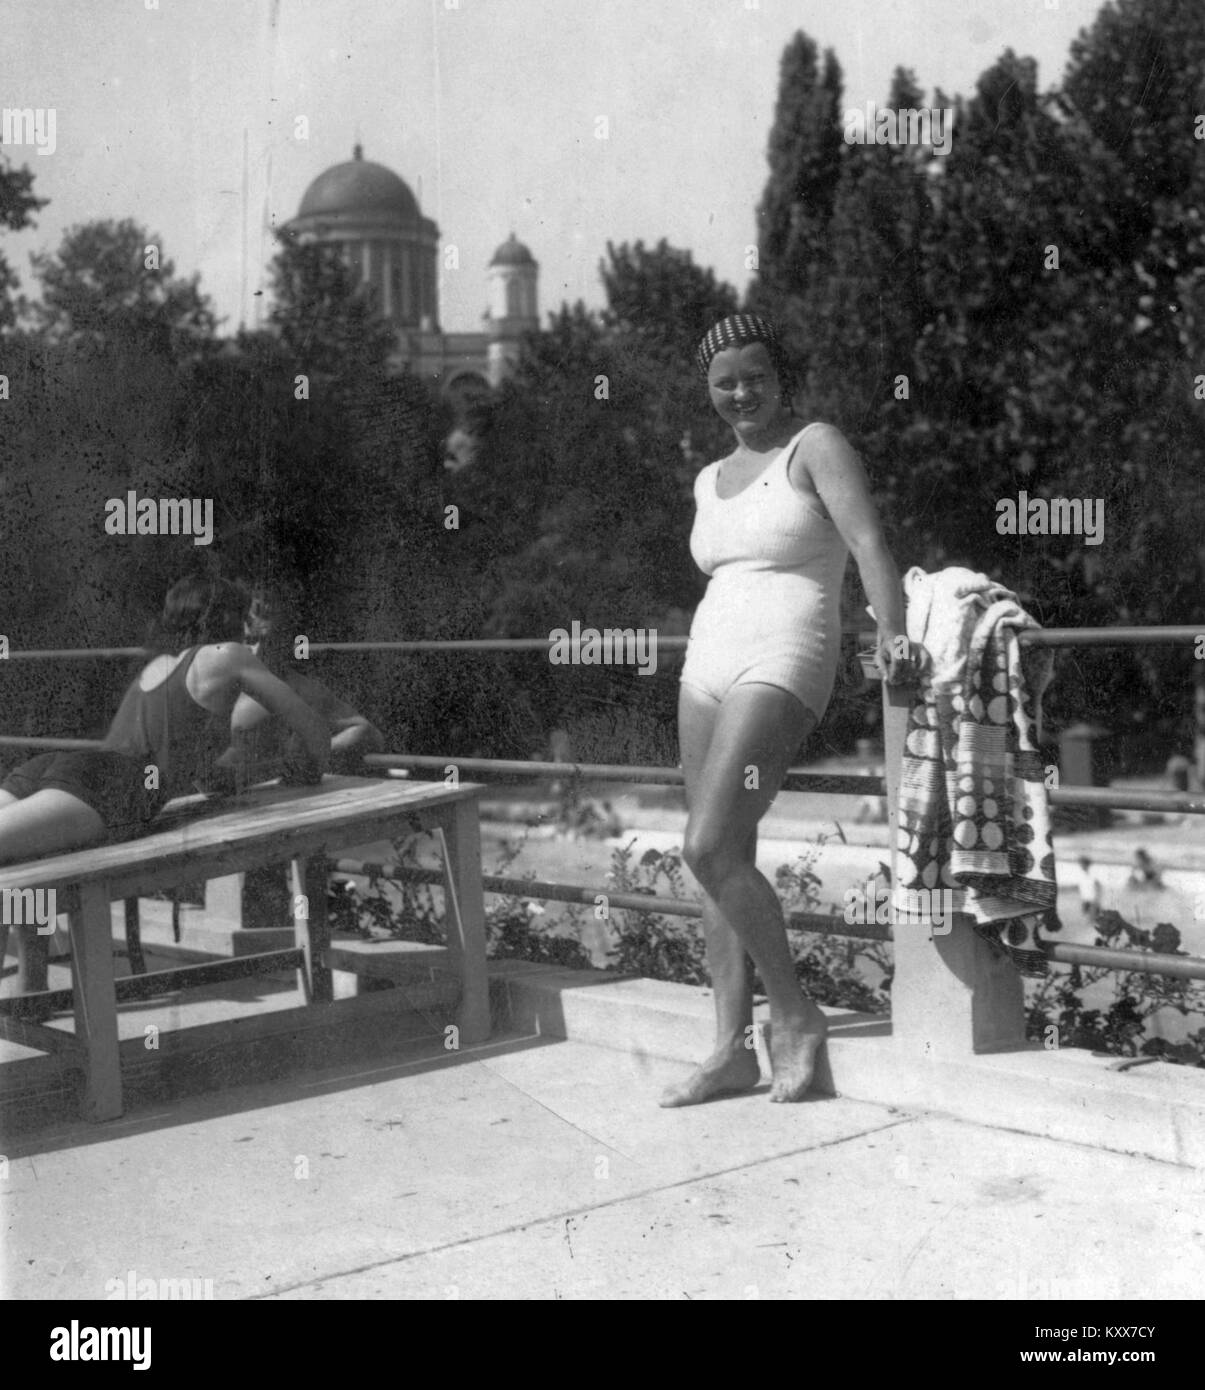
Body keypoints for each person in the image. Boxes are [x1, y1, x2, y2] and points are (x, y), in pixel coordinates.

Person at [664, 312, 923, 1107]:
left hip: (785, 655)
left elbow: (871, 545)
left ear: (781, 379)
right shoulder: (708, 477)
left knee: (705, 845)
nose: (741, 393)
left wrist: (893, 637)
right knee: (718, 865)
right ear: (706, 390)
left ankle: (797, 1014)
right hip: (705, 661)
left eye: (755, 377)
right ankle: (727, 1049)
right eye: (724, 383)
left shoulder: (815, 446)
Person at [0, 576, 331, 992]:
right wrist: (307, 768)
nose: (251, 627)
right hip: (110, 789)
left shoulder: (157, 667)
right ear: (227, 617)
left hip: (61, 767)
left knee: (16, 865)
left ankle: (32, 994)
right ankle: (29, 999)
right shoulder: (227, 656)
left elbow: (192, 766)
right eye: (246, 615)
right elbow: (315, 730)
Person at [220, 586, 385, 784]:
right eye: (244, 638)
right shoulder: (212, 678)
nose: (248, 648)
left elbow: (368, 732)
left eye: (257, 640)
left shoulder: (299, 688)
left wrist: (314, 751)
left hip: (264, 798)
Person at [1071, 855, 1103, 923]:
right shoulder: (1081, 874)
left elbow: (1098, 887)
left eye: (1082, 864)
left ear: (1087, 865)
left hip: (1092, 899)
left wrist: (1097, 899)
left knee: (1092, 918)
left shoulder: (1093, 874)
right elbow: (1080, 887)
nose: (1081, 866)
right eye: (1080, 864)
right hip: (1085, 898)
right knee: (1086, 915)